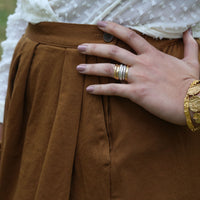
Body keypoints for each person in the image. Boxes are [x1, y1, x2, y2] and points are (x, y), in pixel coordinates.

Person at [0, 0, 200, 199]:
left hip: (150, 115)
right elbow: (31, 10)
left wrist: (196, 100)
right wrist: (3, 105)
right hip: (38, 102)